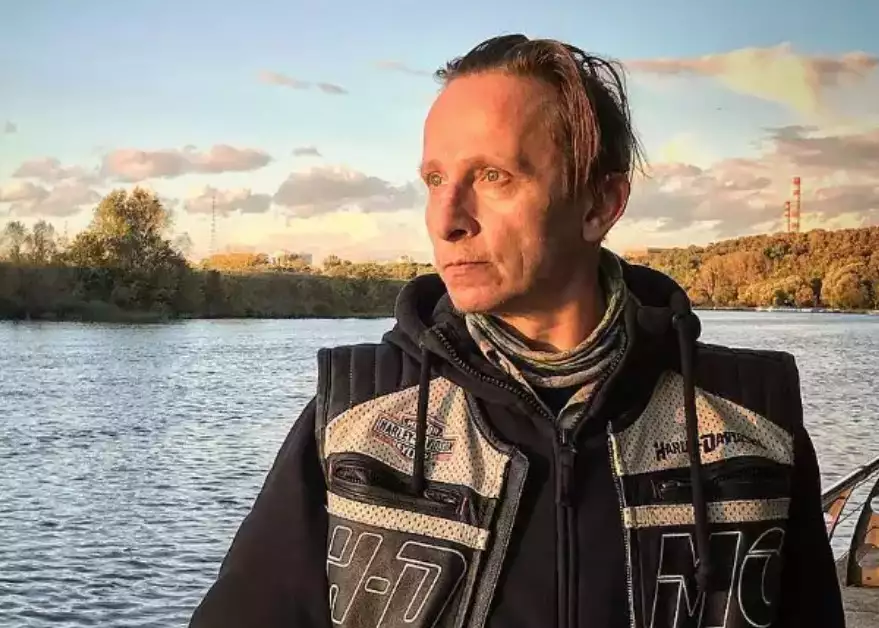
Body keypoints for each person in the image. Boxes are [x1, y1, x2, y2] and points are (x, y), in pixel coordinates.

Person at [190, 34, 845, 628]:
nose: (445, 219)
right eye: (435, 179)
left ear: (600, 204)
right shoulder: (356, 417)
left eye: (492, 176)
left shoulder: (751, 420)